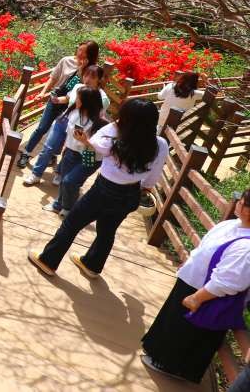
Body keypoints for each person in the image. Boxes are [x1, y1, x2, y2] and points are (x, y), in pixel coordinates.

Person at [28, 99, 168, 278]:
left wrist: (109, 128)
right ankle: (92, 265)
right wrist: (145, 188)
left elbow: (94, 142)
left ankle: (48, 261)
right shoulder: (160, 144)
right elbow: (154, 173)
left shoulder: (114, 139)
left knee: (72, 223)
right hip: (131, 193)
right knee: (107, 231)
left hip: (104, 190)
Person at [141, 189, 250, 383]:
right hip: (193, 281)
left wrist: (197, 297)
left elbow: (229, 281)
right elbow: (205, 246)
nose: (238, 204)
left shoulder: (247, 248)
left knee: (186, 333)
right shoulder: (231, 224)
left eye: (243, 203)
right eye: (241, 200)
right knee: (173, 323)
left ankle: (172, 368)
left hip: (206, 293)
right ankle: (158, 356)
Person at [23, 64, 109, 186]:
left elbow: (98, 118)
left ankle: (60, 173)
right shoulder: (78, 87)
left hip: (82, 127)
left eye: (93, 77)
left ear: (99, 79)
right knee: (48, 147)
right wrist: (57, 100)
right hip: (65, 120)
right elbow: (69, 99)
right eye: (86, 75)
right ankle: (36, 174)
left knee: (70, 151)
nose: (88, 79)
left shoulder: (103, 98)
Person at [18, 41, 100, 168]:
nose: (80, 53)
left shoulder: (92, 70)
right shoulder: (66, 61)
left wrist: (82, 69)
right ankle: (26, 152)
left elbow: (88, 87)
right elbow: (53, 77)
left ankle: (53, 155)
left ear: (91, 55)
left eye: (85, 52)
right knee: (42, 128)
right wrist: (43, 92)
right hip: (56, 100)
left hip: (72, 105)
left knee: (63, 132)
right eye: (80, 50)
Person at [41, 87, 106, 216]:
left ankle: (68, 209)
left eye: (78, 98)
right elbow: (70, 134)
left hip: (91, 157)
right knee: (64, 180)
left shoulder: (101, 124)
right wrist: (66, 148)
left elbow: (103, 148)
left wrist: (86, 141)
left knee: (70, 181)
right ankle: (58, 205)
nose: (75, 100)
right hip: (72, 152)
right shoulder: (74, 113)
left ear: (86, 102)